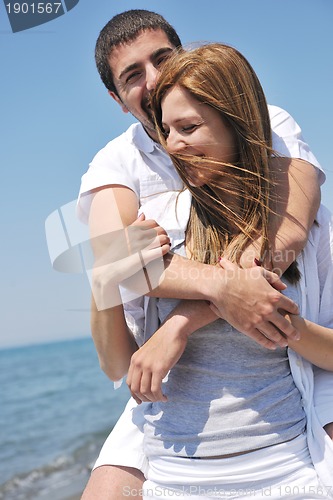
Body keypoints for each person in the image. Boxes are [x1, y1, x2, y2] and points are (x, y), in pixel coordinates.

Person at [77, 9, 329, 499]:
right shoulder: (117, 164)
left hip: (289, 380)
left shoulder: (264, 120)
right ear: (117, 99)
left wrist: (186, 318)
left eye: (162, 59)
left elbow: (289, 232)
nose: (152, 81)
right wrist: (219, 292)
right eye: (132, 76)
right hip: (173, 404)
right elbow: (118, 266)